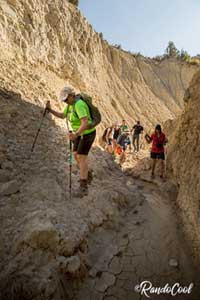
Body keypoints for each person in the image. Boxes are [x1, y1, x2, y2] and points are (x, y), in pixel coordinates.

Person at [46, 87, 96, 197]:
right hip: (78, 134)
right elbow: (62, 115)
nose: (65, 101)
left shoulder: (79, 105)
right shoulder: (70, 105)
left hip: (87, 133)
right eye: (63, 100)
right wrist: (50, 110)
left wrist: (75, 134)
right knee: (75, 156)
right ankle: (87, 174)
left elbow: (85, 122)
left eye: (66, 99)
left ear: (71, 95)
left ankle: (84, 187)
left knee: (81, 157)